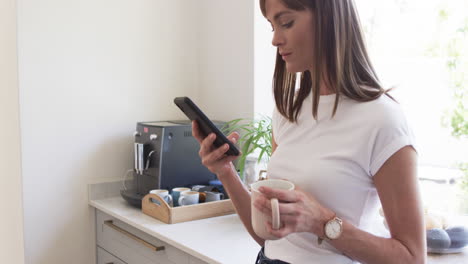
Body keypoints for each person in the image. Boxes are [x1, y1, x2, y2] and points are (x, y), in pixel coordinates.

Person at [191, 0, 426, 263]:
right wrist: (226, 172)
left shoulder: (383, 120)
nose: (275, 40)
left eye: (286, 23)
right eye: (272, 27)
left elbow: (412, 257)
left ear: (329, 18)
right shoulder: (287, 112)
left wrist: (322, 222)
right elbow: (269, 237)